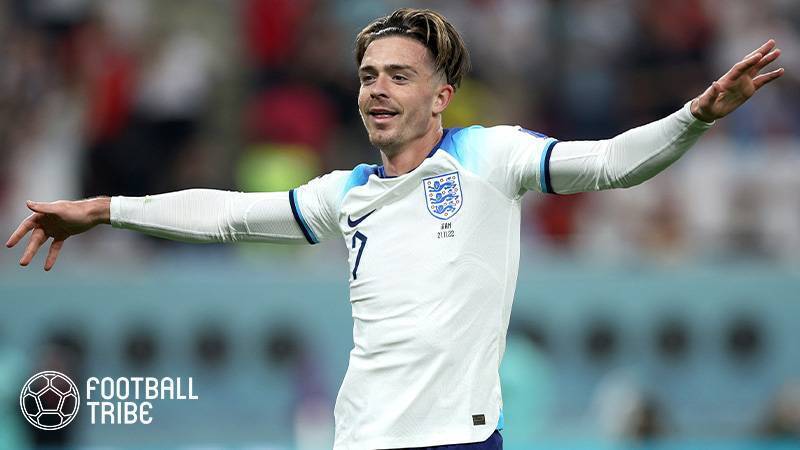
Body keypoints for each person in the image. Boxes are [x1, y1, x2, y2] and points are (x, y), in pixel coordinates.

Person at [5, 8, 784, 450]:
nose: (377, 89)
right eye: (368, 76)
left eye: (399, 75)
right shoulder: (346, 195)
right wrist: (105, 210)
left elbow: (612, 163)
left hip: (457, 442)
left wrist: (695, 116)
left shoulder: (489, 158)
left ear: (441, 96)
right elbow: (229, 213)